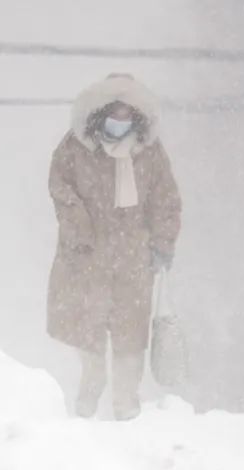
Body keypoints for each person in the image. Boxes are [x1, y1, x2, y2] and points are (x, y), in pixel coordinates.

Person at [47, 73, 182, 421]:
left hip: (133, 261)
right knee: (87, 335)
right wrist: (79, 229)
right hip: (86, 257)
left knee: (129, 340)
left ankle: (126, 407)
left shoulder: (150, 153)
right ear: (100, 113)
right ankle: (88, 399)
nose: (119, 122)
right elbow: (61, 189)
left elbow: (166, 200)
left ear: (136, 117)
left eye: (126, 115)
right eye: (114, 114)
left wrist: (162, 243)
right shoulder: (75, 148)